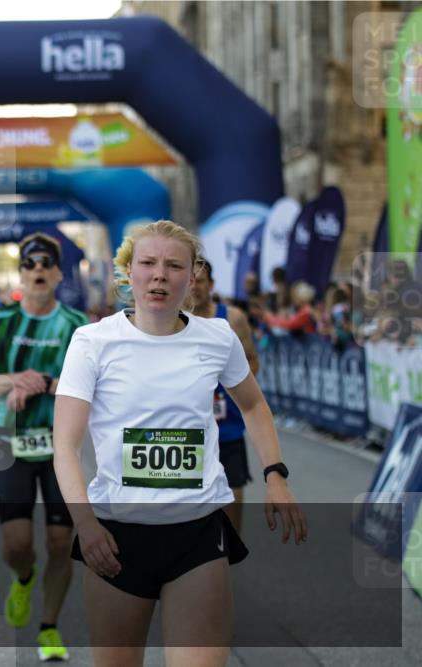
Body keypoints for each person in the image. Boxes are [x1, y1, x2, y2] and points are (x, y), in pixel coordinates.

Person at [53, 220, 307, 667]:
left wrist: (276, 476)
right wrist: (86, 525)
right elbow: (66, 446)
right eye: (148, 263)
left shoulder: (217, 337)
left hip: (197, 531)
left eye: (174, 266)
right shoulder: (92, 342)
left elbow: (253, 406)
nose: (159, 275)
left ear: (193, 276)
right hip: (116, 534)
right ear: (128, 272)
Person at [0, 233, 88, 662]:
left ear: (58, 273)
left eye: (46, 264)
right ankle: (23, 578)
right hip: (12, 440)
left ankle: (49, 627)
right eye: (30, 264)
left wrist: (50, 384)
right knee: (18, 544)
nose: (38, 270)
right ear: (21, 273)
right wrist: (14, 381)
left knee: (61, 542)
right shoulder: (0, 322)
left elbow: (94, 384)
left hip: (60, 444)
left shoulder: (77, 325)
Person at [190, 257, 261, 533]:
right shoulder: (172, 320)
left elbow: (253, 361)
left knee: (233, 495)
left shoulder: (232, 318)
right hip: (190, 427)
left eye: (201, 281)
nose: (194, 287)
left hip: (227, 425)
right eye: (190, 280)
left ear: (212, 284)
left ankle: (229, 555)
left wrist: (231, 383)